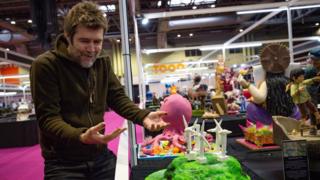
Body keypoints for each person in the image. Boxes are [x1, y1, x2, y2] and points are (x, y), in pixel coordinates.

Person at [30, 2, 168, 179]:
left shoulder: (102, 61)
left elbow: (117, 97)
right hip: (63, 164)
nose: (92, 49)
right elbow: (48, 119)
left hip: (100, 157)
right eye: (84, 41)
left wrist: (142, 116)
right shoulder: (46, 66)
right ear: (68, 36)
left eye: (98, 41)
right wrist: (81, 136)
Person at [304, 47, 320, 130]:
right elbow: (302, 82)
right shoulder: (309, 70)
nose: (313, 62)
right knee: (314, 110)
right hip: (314, 97)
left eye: (316, 60)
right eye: (312, 59)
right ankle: (313, 127)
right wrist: (313, 80)